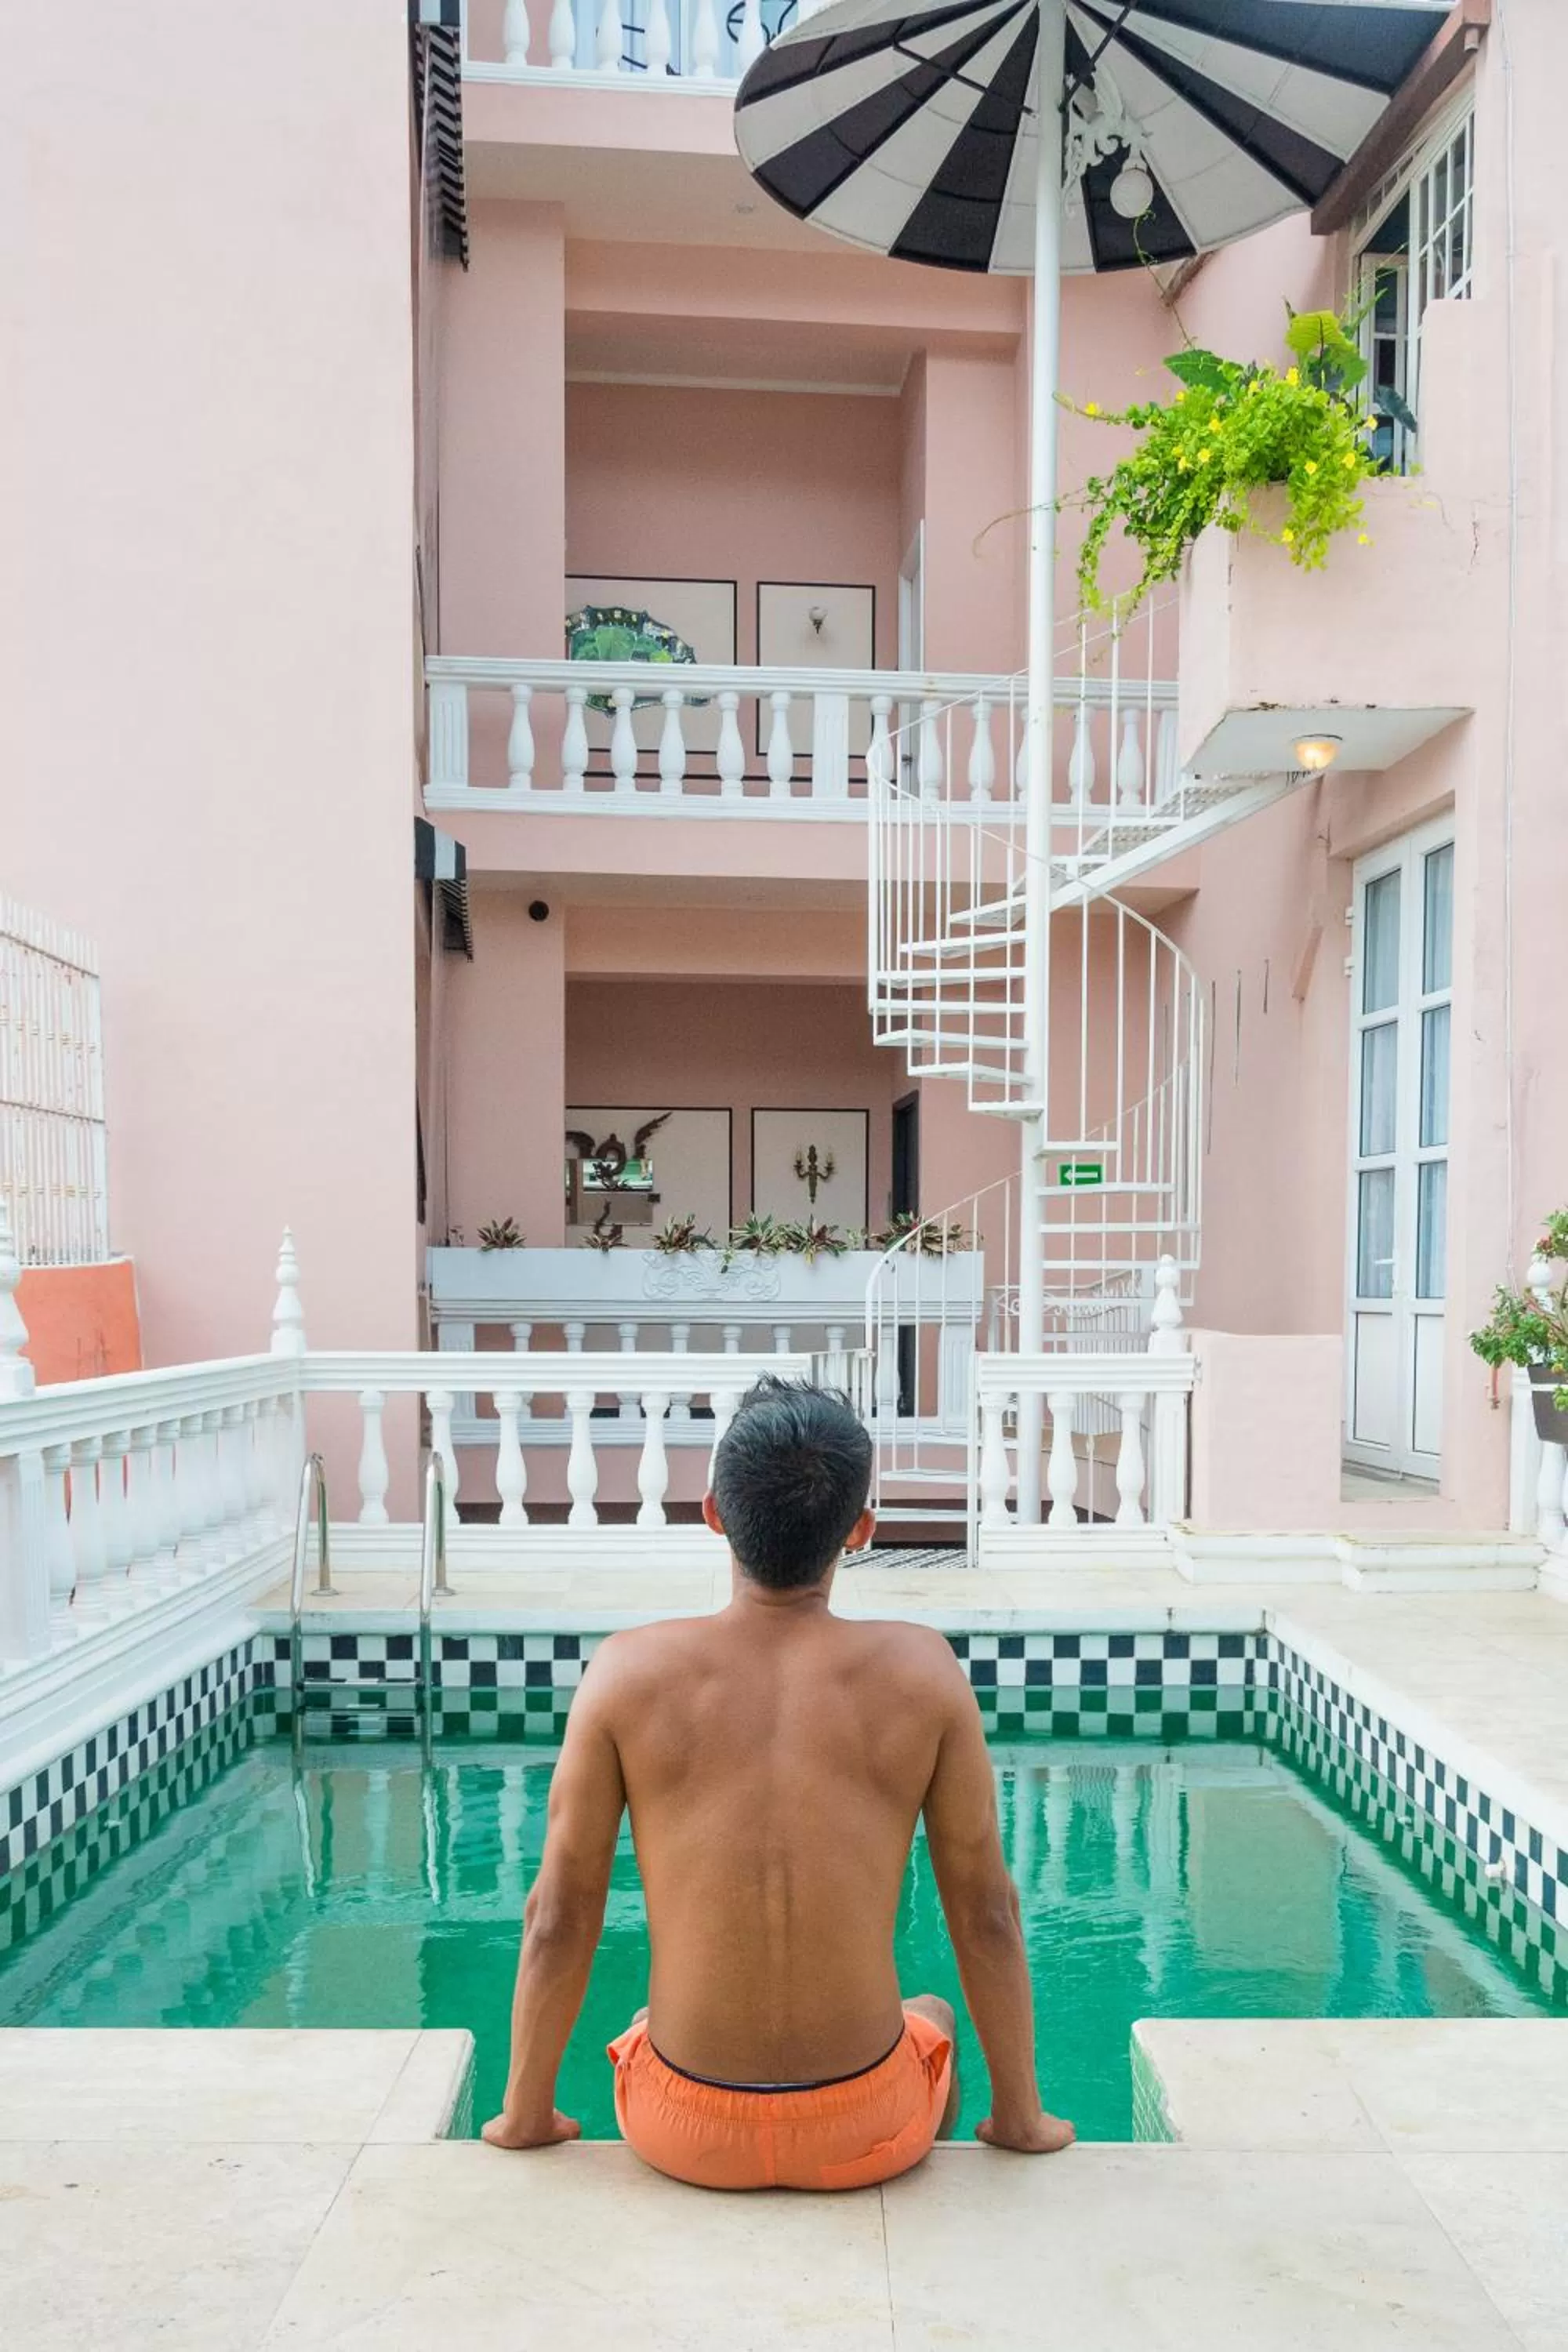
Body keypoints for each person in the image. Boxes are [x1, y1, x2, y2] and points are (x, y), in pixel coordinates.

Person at [481, 1375, 1075, 2190]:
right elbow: (985, 1912)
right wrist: (1022, 2117)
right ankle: (990, 2131)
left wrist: (524, 2117)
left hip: (683, 2129)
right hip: (867, 2126)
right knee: (930, 2016)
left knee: (643, 2026)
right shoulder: (923, 1673)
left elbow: (557, 1915)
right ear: (859, 1529)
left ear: (714, 1513)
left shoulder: (625, 1674)